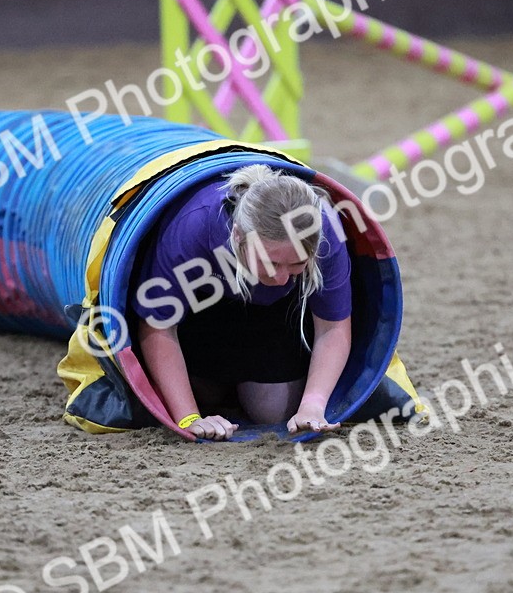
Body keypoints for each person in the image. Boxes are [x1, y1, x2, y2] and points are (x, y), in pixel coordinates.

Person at [132, 164, 352, 441]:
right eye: (270, 262)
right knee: (202, 394)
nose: (282, 277)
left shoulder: (325, 229)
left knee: (272, 412)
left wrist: (313, 405)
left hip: (275, 315)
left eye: (297, 263)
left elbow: (333, 328)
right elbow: (157, 326)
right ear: (238, 236)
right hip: (202, 311)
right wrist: (189, 417)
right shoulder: (194, 225)